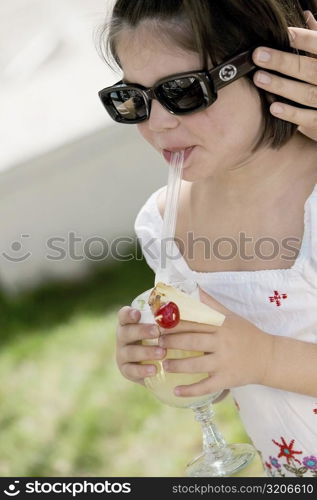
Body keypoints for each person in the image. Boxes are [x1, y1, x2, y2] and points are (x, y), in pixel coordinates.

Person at [98, 0, 317, 477]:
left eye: (183, 92)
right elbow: (234, 366)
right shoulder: (166, 224)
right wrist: (170, 356)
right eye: (133, 97)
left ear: (274, 64)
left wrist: (267, 357)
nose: (157, 123)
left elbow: (260, 357)